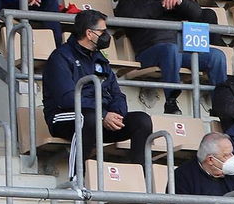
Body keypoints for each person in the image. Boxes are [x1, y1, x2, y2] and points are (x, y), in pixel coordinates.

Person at [114, 0, 228, 115]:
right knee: (170, 49)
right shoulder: (127, 1)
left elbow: (197, 13)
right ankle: (171, 101)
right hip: (149, 51)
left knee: (216, 56)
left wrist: (179, 2)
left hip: (180, 50)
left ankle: (220, 105)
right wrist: (161, 5)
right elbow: (132, 18)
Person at [42, 10, 153, 158]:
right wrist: (103, 115)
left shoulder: (99, 58)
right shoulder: (61, 57)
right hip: (64, 118)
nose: (107, 36)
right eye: (102, 31)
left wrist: (116, 114)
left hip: (100, 117)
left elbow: (117, 94)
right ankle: (77, 177)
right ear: (89, 33)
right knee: (89, 118)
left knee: (142, 121)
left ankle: (139, 176)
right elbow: (67, 98)